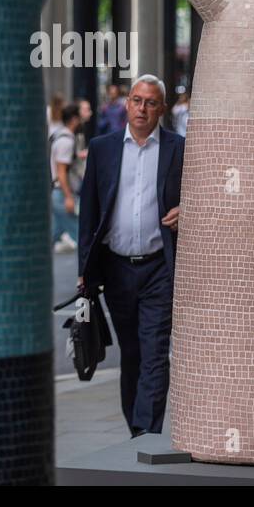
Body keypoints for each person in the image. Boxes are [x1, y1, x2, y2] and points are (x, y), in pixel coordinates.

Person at [77, 74, 184, 437]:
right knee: (133, 355)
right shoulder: (103, 148)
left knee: (155, 354)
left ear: (161, 109)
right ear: (127, 104)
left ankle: (146, 432)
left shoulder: (178, 148)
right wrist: (84, 270)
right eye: (137, 100)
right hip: (117, 269)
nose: (142, 108)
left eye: (150, 102)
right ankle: (135, 431)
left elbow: (204, 193)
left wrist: (188, 209)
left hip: (159, 268)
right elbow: (88, 213)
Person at [49, 103, 83, 254]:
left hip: (58, 193)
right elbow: (61, 172)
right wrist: (68, 197)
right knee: (80, 235)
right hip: (61, 193)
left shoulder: (61, 136)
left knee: (53, 233)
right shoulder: (66, 141)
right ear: (74, 119)